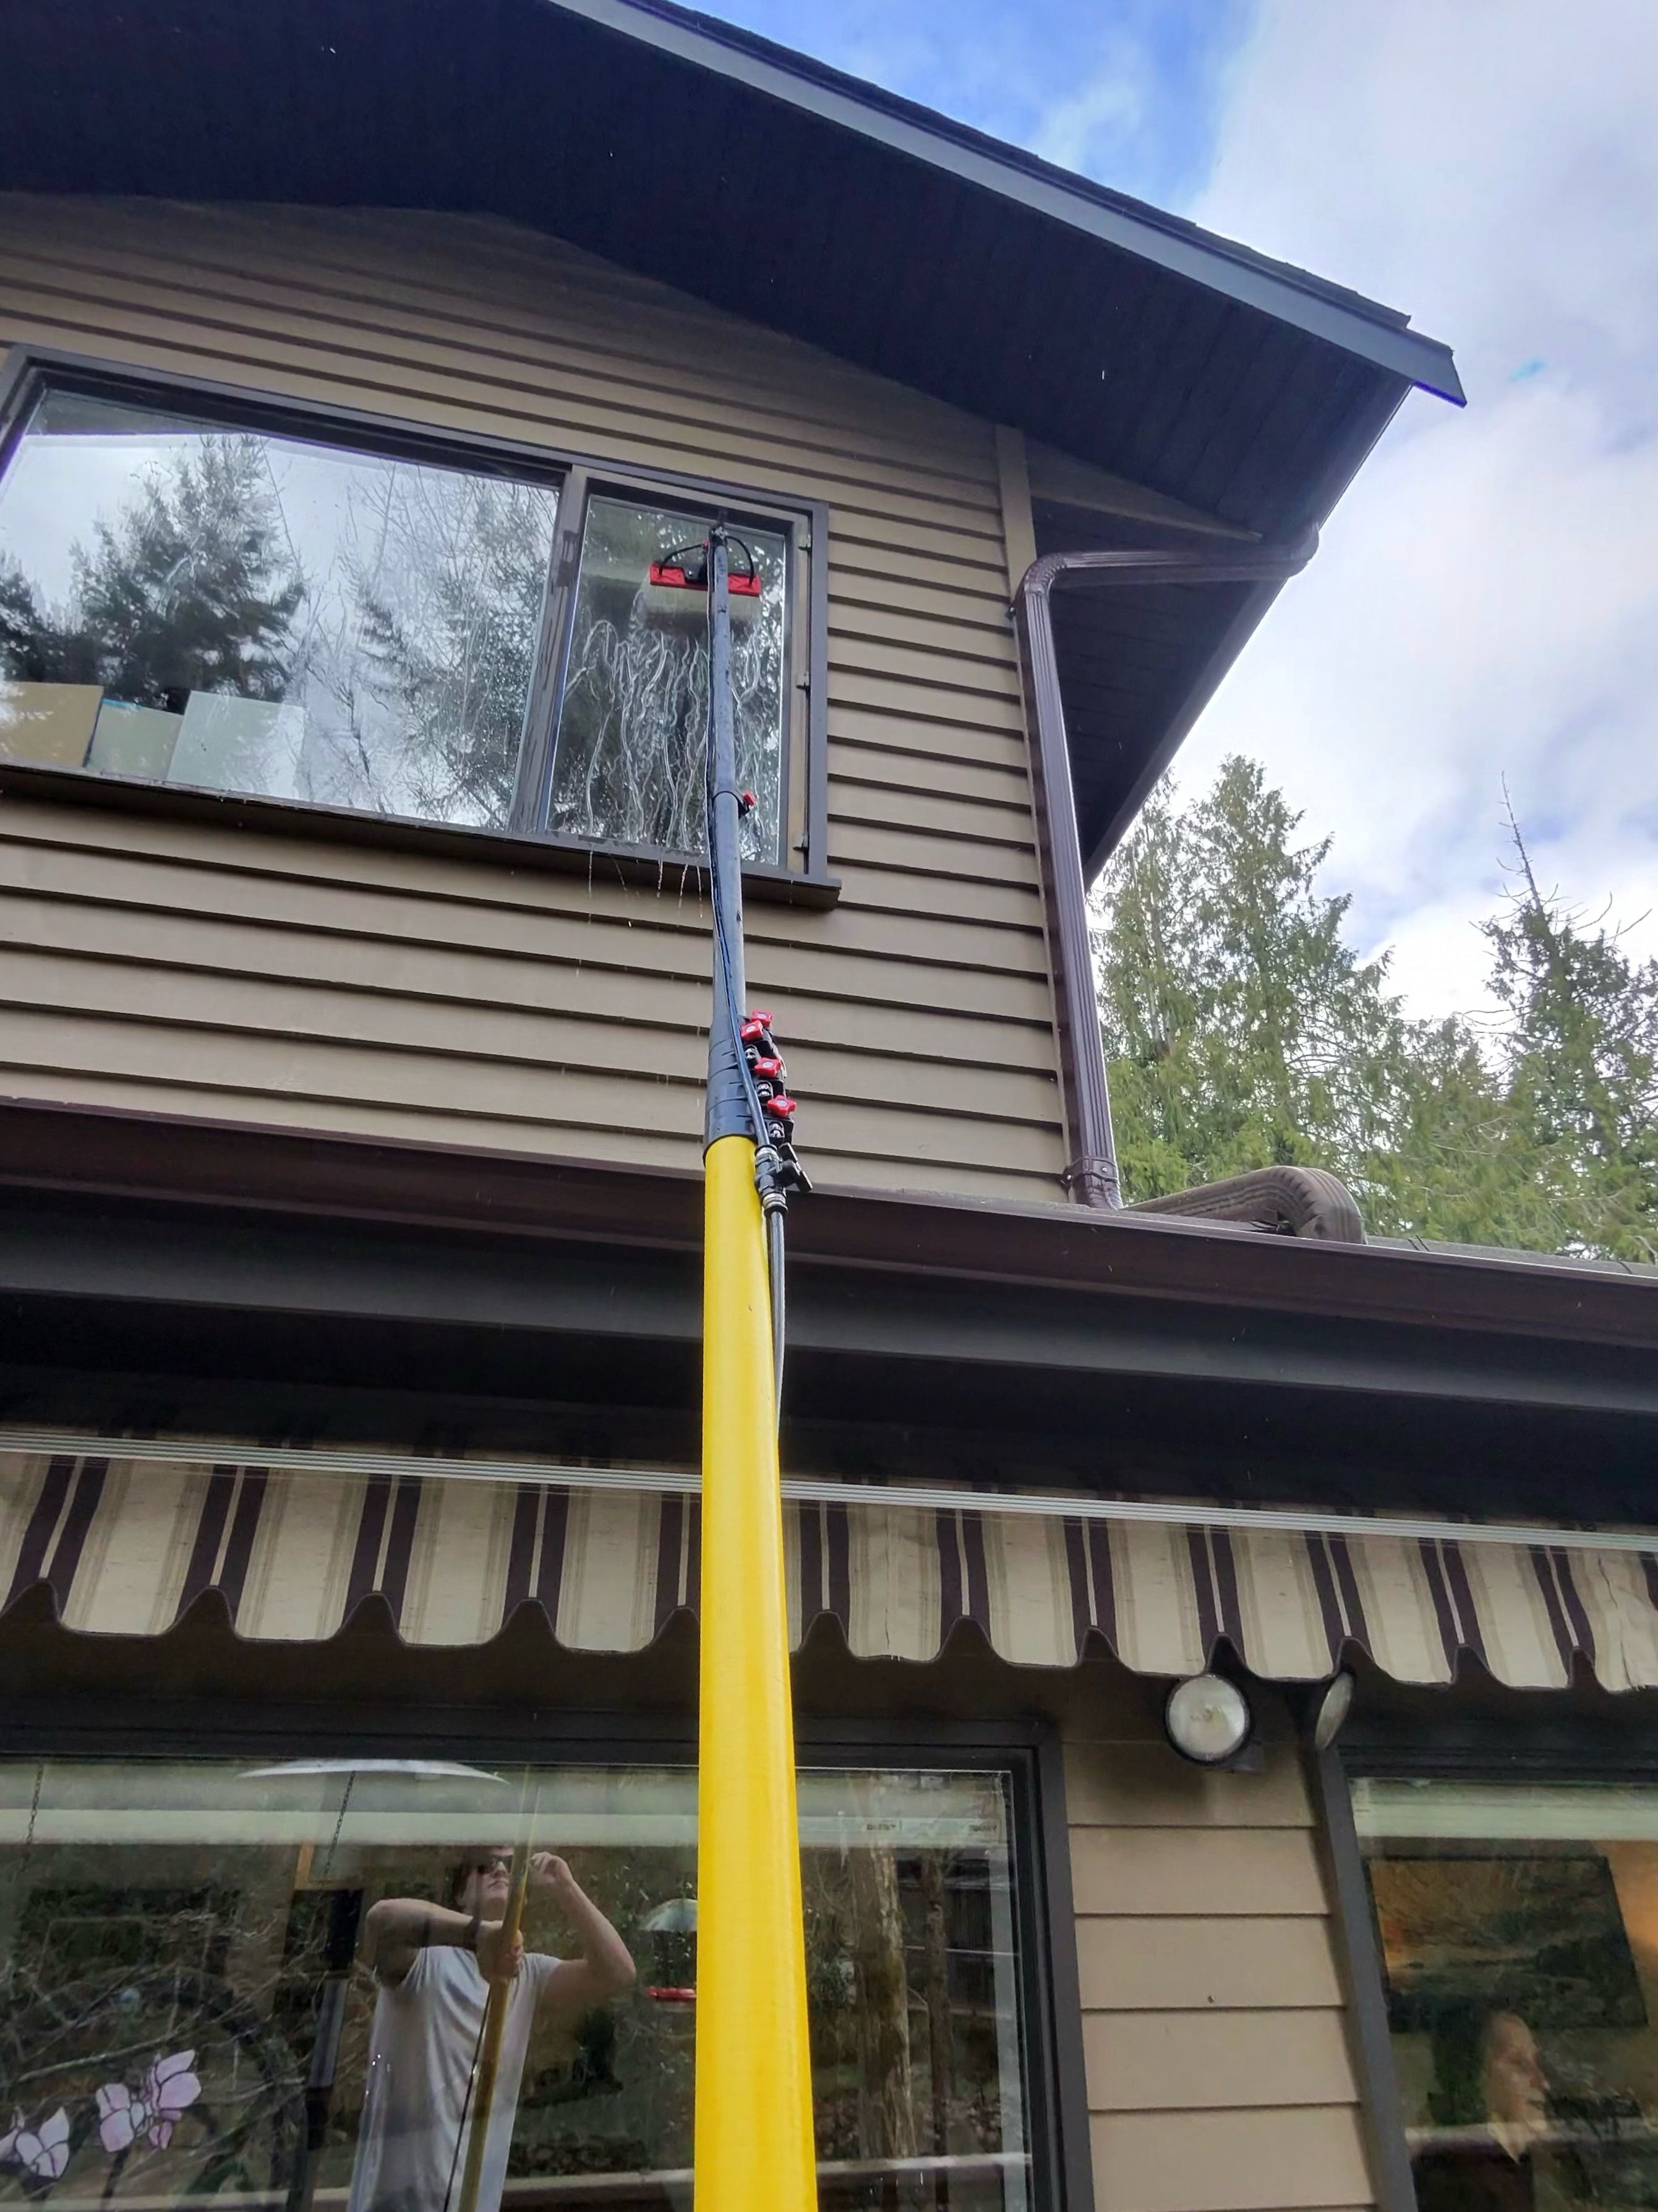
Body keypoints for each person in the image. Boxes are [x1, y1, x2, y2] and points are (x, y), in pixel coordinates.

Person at [346, 1848, 635, 2212]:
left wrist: (566, 1887)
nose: (500, 1870)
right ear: (459, 1895)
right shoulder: (424, 1962)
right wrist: (479, 1934)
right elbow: (381, 1920)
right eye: (483, 1867)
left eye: (510, 1867)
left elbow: (618, 1974)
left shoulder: (527, 1975)